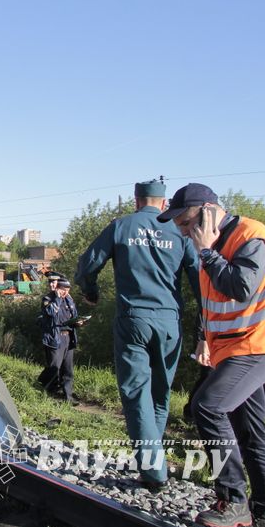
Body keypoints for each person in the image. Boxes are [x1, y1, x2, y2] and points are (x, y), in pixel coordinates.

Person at [159, 183, 265, 527]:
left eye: (187, 223)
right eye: (181, 226)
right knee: (251, 433)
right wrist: (204, 339)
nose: (184, 231)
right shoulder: (212, 247)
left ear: (209, 212)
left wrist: (206, 251)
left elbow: (240, 288)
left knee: (208, 406)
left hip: (259, 345)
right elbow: (212, 303)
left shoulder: (251, 236)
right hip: (232, 349)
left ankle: (233, 501)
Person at [75, 179, 200, 492]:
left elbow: (88, 263)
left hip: (134, 320)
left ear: (136, 200)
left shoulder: (121, 226)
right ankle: (152, 463)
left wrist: (91, 291)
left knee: (136, 393)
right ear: (164, 203)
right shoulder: (180, 229)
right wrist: (207, 322)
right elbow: (200, 277)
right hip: (169, 322)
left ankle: (153, 469)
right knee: (160, 393)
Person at [37, 278, 82, 405]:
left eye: (67, 290)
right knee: (54, 367)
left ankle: (68, 396)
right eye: (63, 290)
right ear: (57, 289)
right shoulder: (48, 299)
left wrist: (79, 322)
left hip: (68, 337)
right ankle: (48, 393)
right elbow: (51, 312)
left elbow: (74, 315)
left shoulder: (69, 299)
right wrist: (57, 298)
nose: (65, 292)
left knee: (68, 369)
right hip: (55, 338)